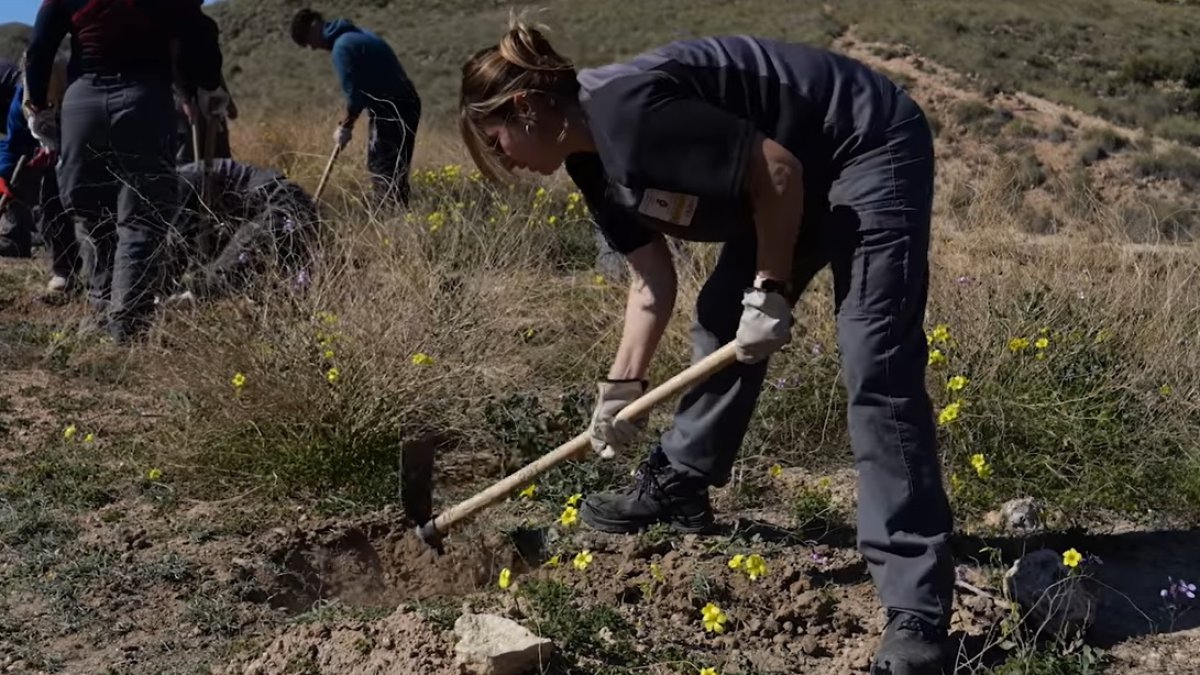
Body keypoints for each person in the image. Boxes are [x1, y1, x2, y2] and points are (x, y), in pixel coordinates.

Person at [458, 22, 954, 675]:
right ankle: (681, 483)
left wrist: (772, 290)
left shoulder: (627, 115)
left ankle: (916, 608)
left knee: (875, 357)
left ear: (523, 107)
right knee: (723, 312)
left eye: (497, 143)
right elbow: (650, 280)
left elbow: (775, 168)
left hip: (863, 141)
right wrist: (619, 391)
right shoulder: (588, 161)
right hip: (791, 176)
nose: (507, 161)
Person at [23, 0, 226, 343]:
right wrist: (207, 84)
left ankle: (103, 311)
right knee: (142, 218)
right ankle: (127, 324)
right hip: (143, 99)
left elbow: (40, 46)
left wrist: (39, 106)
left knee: (90, 212)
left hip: (82, 104)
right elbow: (199, 29)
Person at [289, 8, 421, 208]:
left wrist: (345, 127)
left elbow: (354, 97)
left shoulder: (342, 47)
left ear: (315, 25)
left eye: (307, 41)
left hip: (391, 110)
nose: (311, 49)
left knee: (382, 166)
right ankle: (397, 211)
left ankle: (388, 217)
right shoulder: (358, 34)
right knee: (397, 167)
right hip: (407, 104)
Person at [165, 158, 319, 301]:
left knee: (225, 271)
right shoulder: (181, 181)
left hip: (281, 205)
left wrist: (165, 291)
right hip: (287, 208)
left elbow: (179, 243)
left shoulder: (182, 180)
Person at [0, 59, 77, 291]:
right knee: (41, 192)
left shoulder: (70, 92)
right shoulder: (22, 105)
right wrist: (3, 177)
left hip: (81, 138)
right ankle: (62, 267)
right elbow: (13, 145)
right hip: (42, 135)